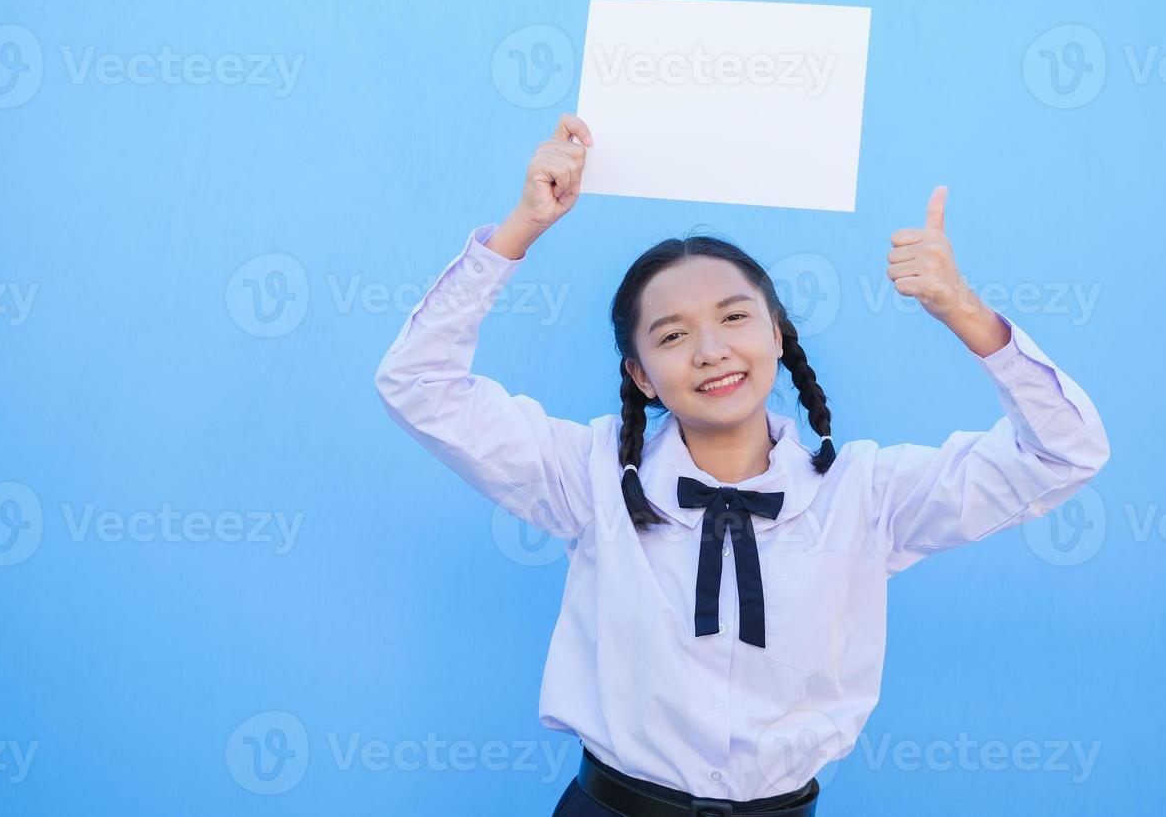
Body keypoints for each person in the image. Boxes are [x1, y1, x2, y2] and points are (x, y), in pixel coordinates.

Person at [375, 113, 1111, 816]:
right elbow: (418, 384)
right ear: (639, 375)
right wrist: (520, 228)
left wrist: (962, 310)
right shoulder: (590, 475)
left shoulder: (866, 494)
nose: (710, 350)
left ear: (776, 334)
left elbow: (1062, 451)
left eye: (733, 317)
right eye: (672, 335)